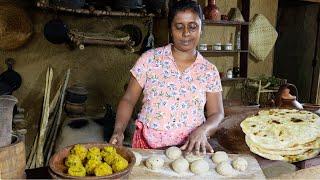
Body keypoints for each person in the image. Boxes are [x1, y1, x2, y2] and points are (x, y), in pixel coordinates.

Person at [109, 0, 224, 155]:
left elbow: (216, 113)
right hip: (147, 147)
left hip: (190, 149)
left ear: (201, 29)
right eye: (179, 26)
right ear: (170, 29)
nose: (186, 33)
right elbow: (129, 99)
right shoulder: (149, 59)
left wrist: (203, 130)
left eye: (193, 26)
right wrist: (118, 130)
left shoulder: (209, 70)